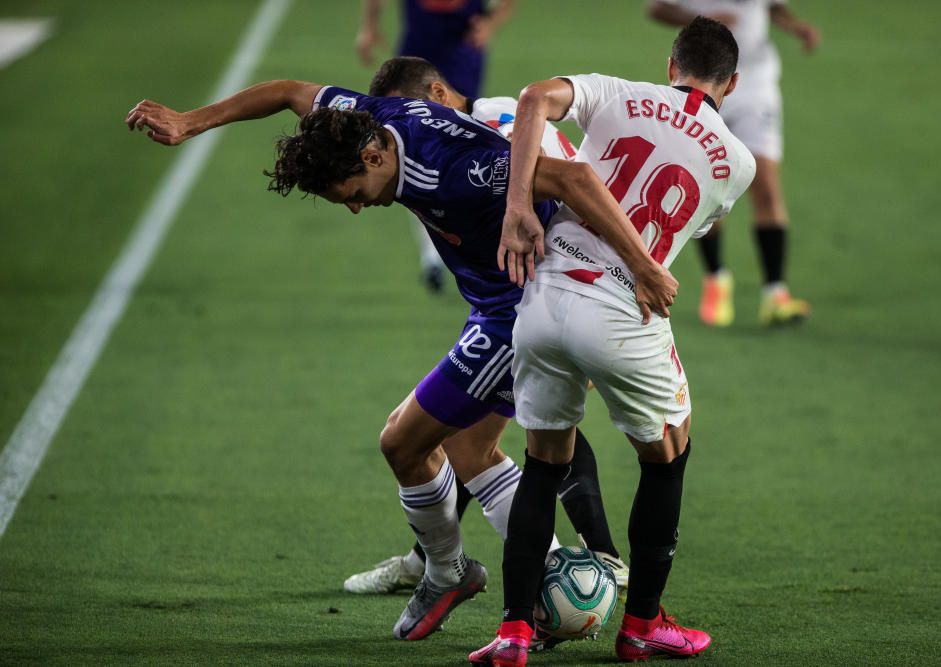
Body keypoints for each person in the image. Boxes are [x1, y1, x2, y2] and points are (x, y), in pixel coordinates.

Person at [124, 79, 677, 641]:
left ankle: (455, 574)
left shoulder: (455, 169)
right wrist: (191, 120)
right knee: (468, 448)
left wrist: (644, 267)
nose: (358, 208)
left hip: (522, 309)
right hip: (494, 300)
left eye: (353, 192)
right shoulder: (366, 116)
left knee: (403, 442)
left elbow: (575, 178)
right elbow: (290, 92)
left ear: (373, 155)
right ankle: (533, 580)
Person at [470, 17, 755, 665]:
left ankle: (515, 630)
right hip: (623, 312)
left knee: (544, 461)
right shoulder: (735, 163)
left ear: (670, 62)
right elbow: (683, 227)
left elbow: (534, 98)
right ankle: (643, 624)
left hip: (542, 298)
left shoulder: (618, 91)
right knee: (668, 454)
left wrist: (519, 204)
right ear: (730, 83)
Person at [343, 56, 625, 604]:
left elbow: (565, 182)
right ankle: (433, 560)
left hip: (554, 291)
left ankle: (598, 562)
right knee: (472, 435)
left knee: (516, 425)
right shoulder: (452, 139)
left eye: (413, 112)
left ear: (439, 93)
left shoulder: (489, 128)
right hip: (540, 288)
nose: (408, 129)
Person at [647, 0, 819, 327]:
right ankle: (716, 279)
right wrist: (697, 17)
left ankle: (775, 293)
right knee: (707, 181)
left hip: (755, 85)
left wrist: (794, 25)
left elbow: (772, 7)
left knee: (766, 183)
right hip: (704, 81)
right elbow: (656, 9)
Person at [357, 0, 518, 293]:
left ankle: (466, 245)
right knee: (409, 152)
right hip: (416, 57)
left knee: (462, 146)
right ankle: (433, 254)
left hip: (461, 54)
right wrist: (369, 25)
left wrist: (491, 23)